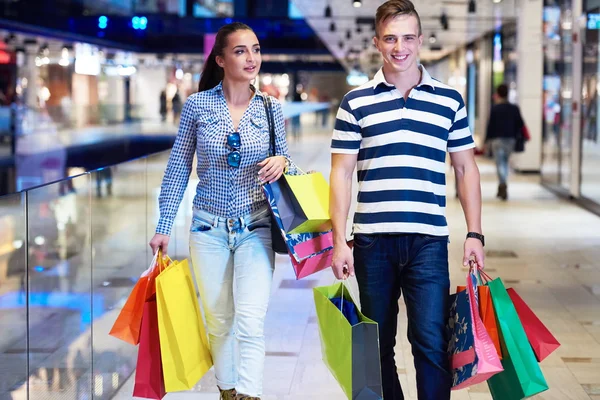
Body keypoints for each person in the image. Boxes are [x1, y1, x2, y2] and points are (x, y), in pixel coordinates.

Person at [328, 1, 485, 399]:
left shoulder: (449, 101)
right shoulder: (356, 103)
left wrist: (475, 234)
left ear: (420, 40)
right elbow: (341, 173)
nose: (400, 47)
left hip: (428, 241)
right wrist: (338, 240)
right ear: (378, 42)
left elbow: (466, 169)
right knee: (376, 345)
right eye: (391, 38)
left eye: (408, 38)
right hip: (371, 242)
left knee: (431, 344)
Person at [149, 22, 296, 400]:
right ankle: (227, 391)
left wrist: (282, 160)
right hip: (207, 228)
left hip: (256, 225)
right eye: (241, 51)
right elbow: (179, 166)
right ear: (220, 59)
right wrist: (164, 225)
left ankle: (250, 394)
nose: (252, 58)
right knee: (219, 322)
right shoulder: (198, 105)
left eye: (256, 50)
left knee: (250, 320)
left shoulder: (269, 107)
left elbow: (288, 165)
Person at [485, 83, 525, 200]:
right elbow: (520, 124)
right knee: (505, 162)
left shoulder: (495, 108)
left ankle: (502, 184)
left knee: (499, 163)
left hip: (497, 140)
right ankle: (502, 184)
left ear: (498, 94)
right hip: (511, 139)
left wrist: (486, 140)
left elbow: (490, 126)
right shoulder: (514, 108)